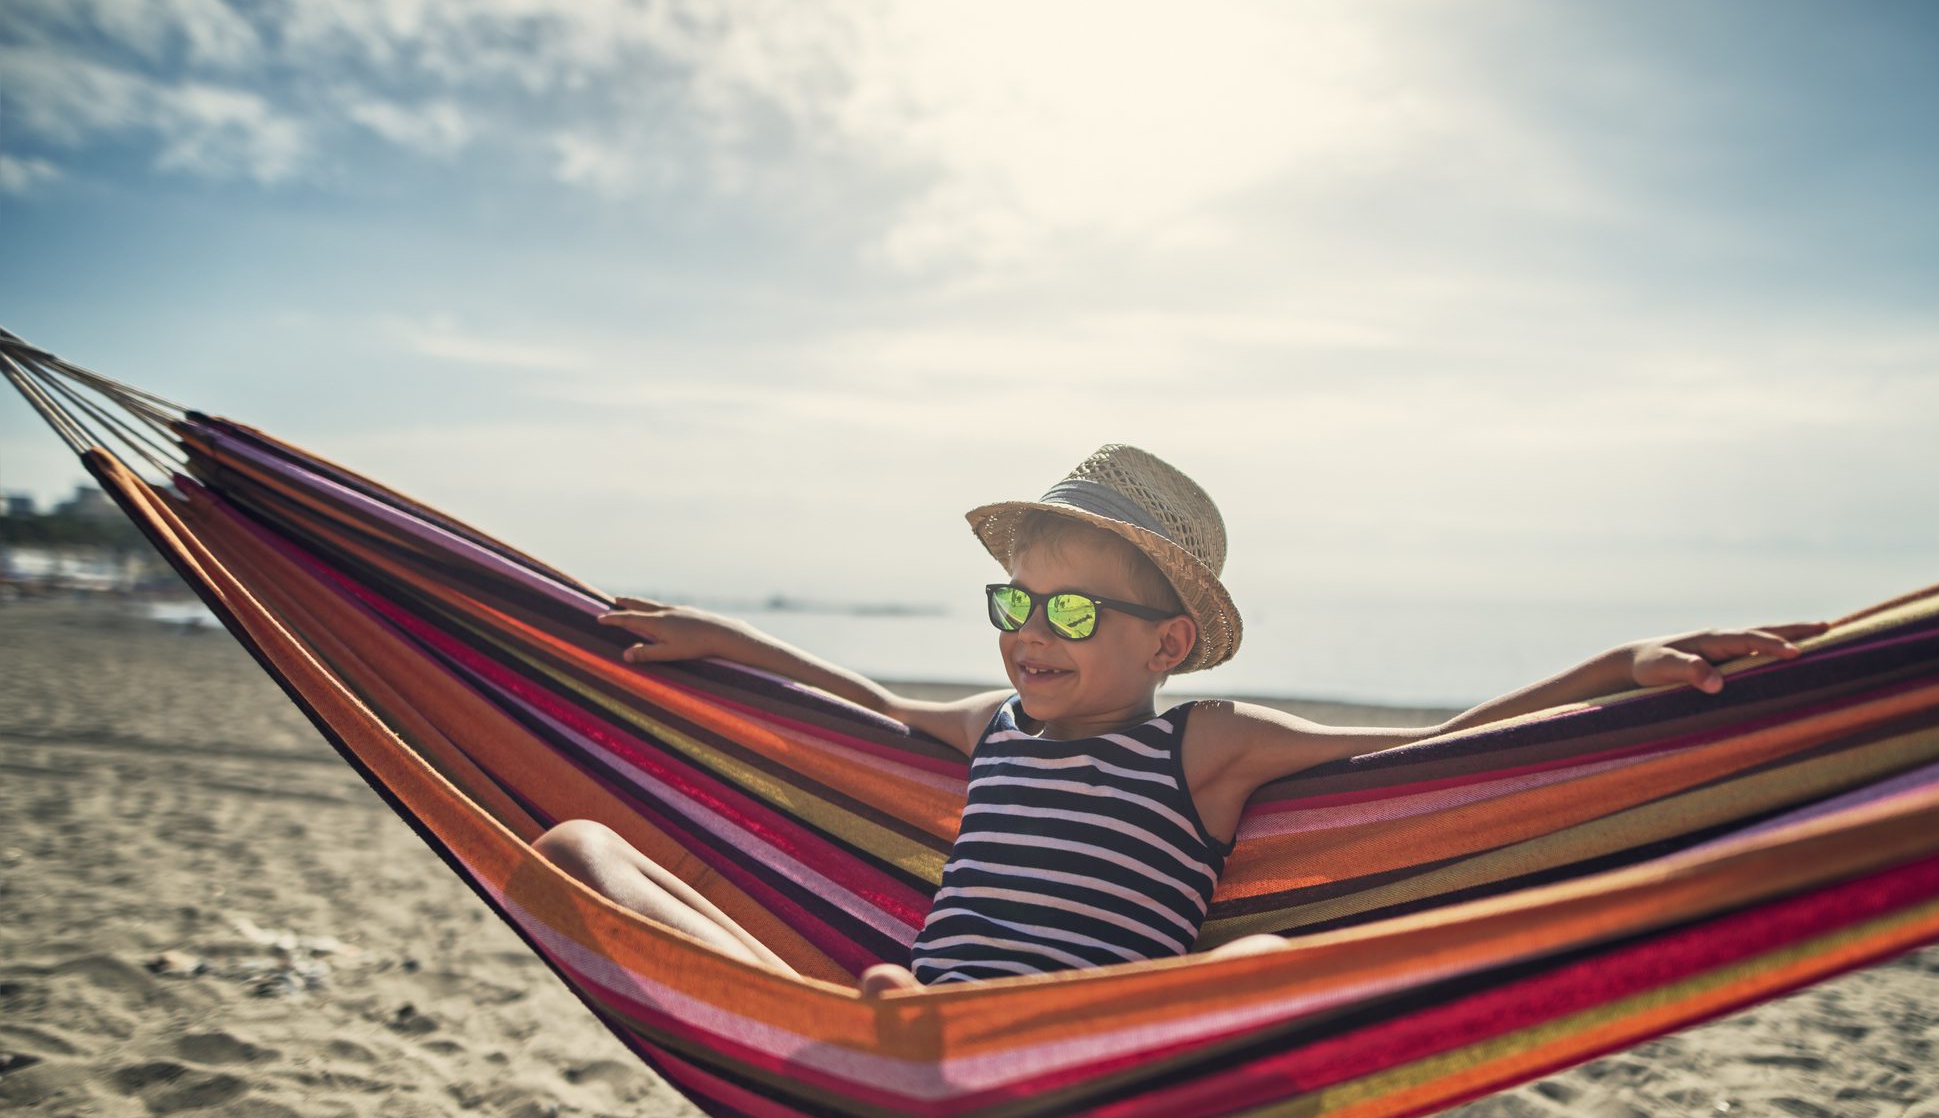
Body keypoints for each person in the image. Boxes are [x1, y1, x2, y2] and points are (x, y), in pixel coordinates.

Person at [533, 444, 1826, 996]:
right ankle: (867, 1030)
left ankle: (904, 1028)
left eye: (1072, 616)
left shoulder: (1200, 746)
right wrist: (720, 636)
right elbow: (859, 704)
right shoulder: (995, 727)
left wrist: (1615, 662)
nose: (1030, 635)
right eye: (1015, 603)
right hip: (898, 1038)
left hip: (1086, 1059)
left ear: (1168, 642)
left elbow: (1445, 754)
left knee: (1259, 963)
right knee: (578, 849)